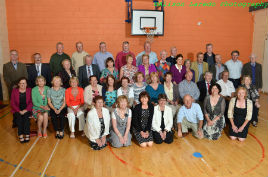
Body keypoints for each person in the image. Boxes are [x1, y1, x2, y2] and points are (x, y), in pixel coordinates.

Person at [10, 77, 32, 143]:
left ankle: (27, 134)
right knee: (19, 119)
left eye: (24, 83)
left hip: (27, 109)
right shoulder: (14, 91)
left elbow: (31, 102)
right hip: (17, 109)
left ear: (26, 84)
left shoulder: (30, 90)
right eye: (21, 83)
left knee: (26, 118)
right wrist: (19, 111)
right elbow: (12, 103)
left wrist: (26, 110)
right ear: (18, 84)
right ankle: (21, 135)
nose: (23, 85)